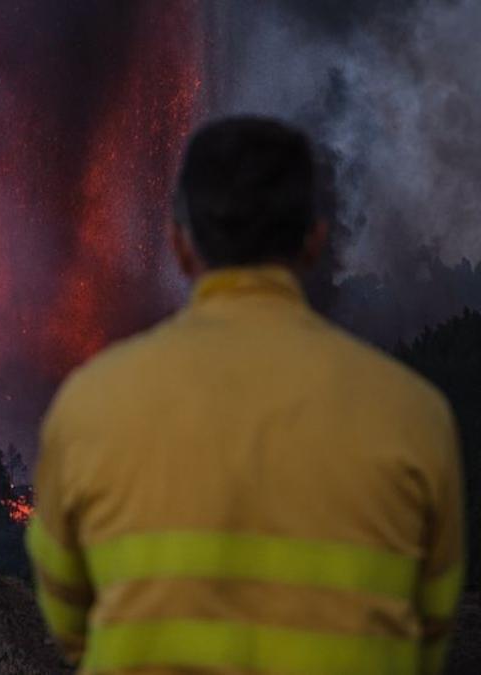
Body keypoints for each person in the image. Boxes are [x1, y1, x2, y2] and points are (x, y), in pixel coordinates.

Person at [27, 117, 464, 674]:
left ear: (180, 244)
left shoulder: (89, 406)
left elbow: (68, 625)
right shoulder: (414, 416)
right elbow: (430, 631)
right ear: (314, 241)